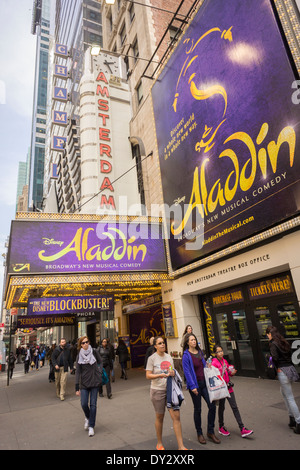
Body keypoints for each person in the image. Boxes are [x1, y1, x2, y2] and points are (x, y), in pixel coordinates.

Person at [146, 336, 188, 450]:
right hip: (157, 390)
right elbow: (148, 375)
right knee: (160, 416)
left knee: (176, 416)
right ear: (155, 346)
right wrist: (159, 375)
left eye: (163, 343)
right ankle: (159, 443)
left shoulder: (169, 357)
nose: (162, 345)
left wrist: (172, 373)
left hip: (170, 390)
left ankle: (181, 446)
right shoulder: (152, 359)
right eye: (159, 343)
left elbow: (173, 371)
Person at [182, 333, 220, 445]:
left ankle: (210, 431)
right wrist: (192, 386)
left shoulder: (200, 352)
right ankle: (199, 433)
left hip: (205, 384)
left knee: (212, 406)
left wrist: (207, 365)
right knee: (198, 409)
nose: (194, 341)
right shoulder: (186, 355)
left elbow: (204, 367)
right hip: (195, 386)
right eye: (192, 340)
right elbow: (187, 372)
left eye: (195, 339)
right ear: (187, 342)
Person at [211, 344, 253, 438]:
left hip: (228, 388)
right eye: (218, 351)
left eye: (221, 350)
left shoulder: (225, 361)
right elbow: (214, 377)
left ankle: (242, 428)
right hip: (221, 389)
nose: (221, 353)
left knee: (234, 407)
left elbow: (228, 372)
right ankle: (221, 426)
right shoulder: (214, 363)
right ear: (215, 353)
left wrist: (232, 372)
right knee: (221, 408)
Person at [266, 325, 300, 434]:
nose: (267, 336)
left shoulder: (273, 344)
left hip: (282, 372)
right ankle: (291, 419)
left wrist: (268, 357)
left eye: (267, 334)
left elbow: (275, 358)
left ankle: (298, 421)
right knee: (284, 393)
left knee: (290, 397)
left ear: (270, 334)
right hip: (290, 370)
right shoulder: (283, 342)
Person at [75, 336, 103, 437]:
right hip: (84, 383)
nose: (85, 344)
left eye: (86, 342)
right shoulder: (79, 356)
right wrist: (76, 387)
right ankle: (88, 417)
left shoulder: (94, 352)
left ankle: (91, 426)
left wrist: (99, 372)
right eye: (83, 343)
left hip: (94, 382)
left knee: (93, 405)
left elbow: (100, 362)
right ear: (80, 345)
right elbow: (78, 371)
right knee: (83, 404)